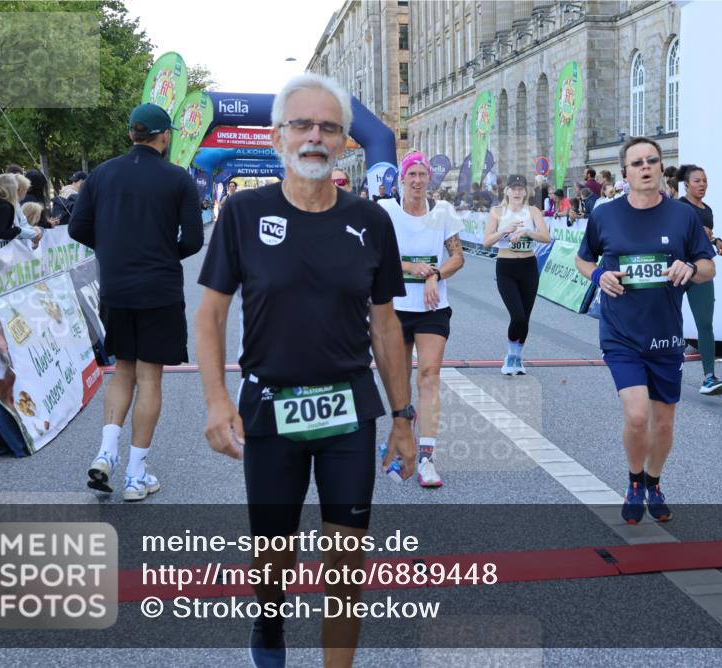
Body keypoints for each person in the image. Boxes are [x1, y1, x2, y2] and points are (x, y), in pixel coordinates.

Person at [194, 73, 415, 668]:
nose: (315, 137)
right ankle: (269, 624)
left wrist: (403, 416)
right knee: (275, 557)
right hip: (268, 408)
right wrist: (218, 401)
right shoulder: (242, 213)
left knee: (346, 567)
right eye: (303, 125)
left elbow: (387, 326)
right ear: (278, 136)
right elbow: (210, 316)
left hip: (348, 410)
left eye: (329, 127)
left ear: (346, 141)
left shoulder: (371, 221)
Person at [574, 136, 715, 525]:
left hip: (666, 334)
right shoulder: (606, 215)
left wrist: (690, 268)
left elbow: (708, 268)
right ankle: (635, 481)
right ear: (625, 172)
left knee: (664, 421)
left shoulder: (684, 216)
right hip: (620, 333)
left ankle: (654, 480)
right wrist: (600, 275)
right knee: (637, 417)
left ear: (660, 166)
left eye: (652, 160)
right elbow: (582, 260)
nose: (646, 167)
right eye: (637, 162)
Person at [69, 102, 203, 502]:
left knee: (122, 370)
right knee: (150, 378)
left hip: (116, 288)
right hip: (158, 289)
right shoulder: (177, 179)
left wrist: (115, 251)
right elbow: (193, 240)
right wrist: (161, 253)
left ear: (131, 134)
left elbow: (77, 227)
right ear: (164, 137)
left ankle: (106, 451)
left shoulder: (102, 175)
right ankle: (134, 474)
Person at [377, 150, 465, 487]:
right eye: (410, 175)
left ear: (429, 179)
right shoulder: (385, 211)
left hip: (432, 308)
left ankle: (427, 456)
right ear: (401, 179)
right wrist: (409, 267)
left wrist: (434, 276)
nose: (416, 181)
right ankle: (402, 435)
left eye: (421, 175)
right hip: (395, 308)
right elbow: (373, 255)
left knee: (429, 376)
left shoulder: (442, 211)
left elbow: (457, 257)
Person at [483, 174, 552, 375]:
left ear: (525, 191)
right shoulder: (497, 212)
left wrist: (527, 233)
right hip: (506, 267)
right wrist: (505, 230)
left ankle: (517, 357)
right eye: (513, 188)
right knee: (518, 316)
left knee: (526, 318)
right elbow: (486, 242)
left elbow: (546, 237)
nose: (517, 191)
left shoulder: (532, 211)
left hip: (528, 267)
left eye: (520, 188)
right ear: (506, 191)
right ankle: (511, 355)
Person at [678, 164, 722, 395]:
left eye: (705, 181)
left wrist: (716, 241)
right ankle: (663, 369)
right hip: (677, 269)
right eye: (697, 181)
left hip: (700, 271)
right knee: (668, 322)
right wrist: (702, 232)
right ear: (686, 184)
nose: (702, 185)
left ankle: (709, 377)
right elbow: (678, 234)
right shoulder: (678, 207)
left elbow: (704, 235)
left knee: (705, 324)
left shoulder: (707, 209)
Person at [0, 173, 42, 244]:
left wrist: (32, 231)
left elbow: (22, 223)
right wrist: (18, 230)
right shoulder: (5, 206)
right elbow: (1, 233)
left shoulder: (1, 204)